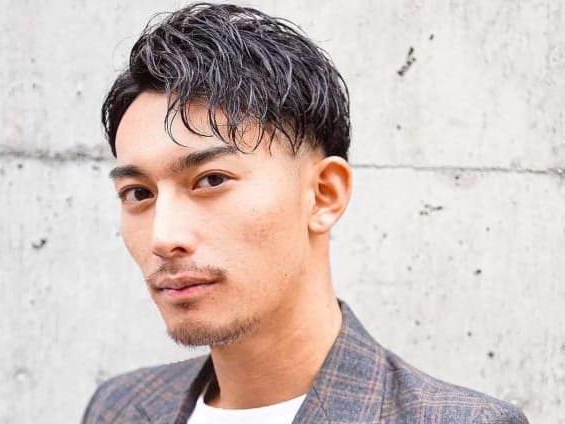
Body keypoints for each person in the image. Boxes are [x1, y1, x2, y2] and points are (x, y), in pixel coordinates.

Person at [83, 3, 528, 423]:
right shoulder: (120, 407)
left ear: (323, 195)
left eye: (212, 179)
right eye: (138, 192)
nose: (163, 237)